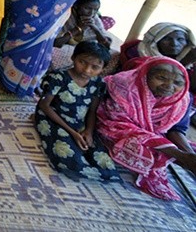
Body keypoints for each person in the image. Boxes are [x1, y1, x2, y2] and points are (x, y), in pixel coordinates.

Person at [97, 56, 196, 200]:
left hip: (151, 133)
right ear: (145, 74)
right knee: (139, 149)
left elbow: (176, 130)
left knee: (177, 150)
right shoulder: (123, 86)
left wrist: (189, 157)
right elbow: (118, 123)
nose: (169, 86)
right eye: (161, 77)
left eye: (177, 82)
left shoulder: (182, 99)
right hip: (114, 125)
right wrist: (179, 155)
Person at [36, 41, 119, 181]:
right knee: (67, 153)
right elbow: (45, 105)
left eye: (95, 67)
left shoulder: (98, 84)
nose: (87, 70)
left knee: (103, 160)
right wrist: (73, 133)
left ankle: (96, 168)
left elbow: (92, 111)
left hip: (78, 120)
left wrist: (89, 131)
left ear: (103, 68)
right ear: (73, 57)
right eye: (82, 62)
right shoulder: (58, 77)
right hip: (52, 117)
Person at [120, 22, 196, 70]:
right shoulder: (137, 53)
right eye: (167, 38)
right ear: (155, 41)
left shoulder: (189, 57)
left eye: (180, 39)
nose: (174, 44)